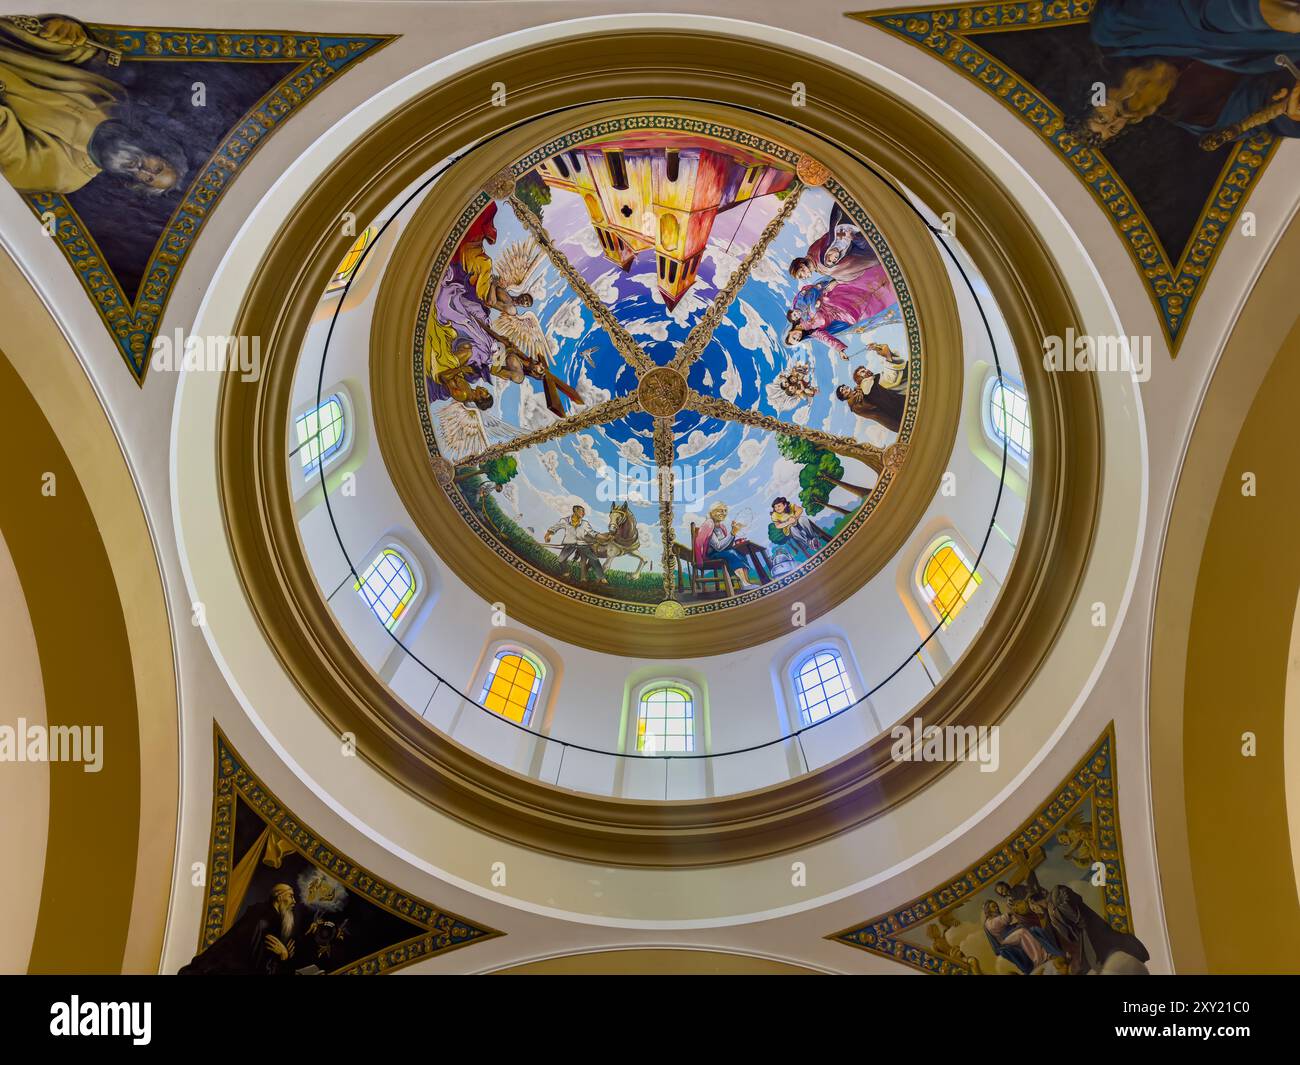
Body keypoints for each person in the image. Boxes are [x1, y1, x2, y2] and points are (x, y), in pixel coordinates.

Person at [0, 15, 188, 194]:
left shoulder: (63, 177)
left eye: (148, 179)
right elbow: (75, 54)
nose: (145, 170)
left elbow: (6, 146)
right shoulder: (114, 99)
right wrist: (67, 33)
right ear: (157, 148)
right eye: (158, 167)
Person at [1073, 0, 1300, 147]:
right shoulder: (1194, 117)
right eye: (1112, 128)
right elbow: (1261, 111)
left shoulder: (1114, 32)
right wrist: (1289, 110)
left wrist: (1261, 14)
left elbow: (1191, 10)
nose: (1114, 119)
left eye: (1101, 117)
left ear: (1095, 94)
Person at [179, 882, 316, 975]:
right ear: (279, 897)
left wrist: (285, 958)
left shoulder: (269, 917)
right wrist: (284, 958)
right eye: (291, 896)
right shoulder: (264, 921)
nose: (294, 901)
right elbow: (260, 968)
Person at [694, 502, 769, 589]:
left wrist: (733, 533)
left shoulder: (721, 527)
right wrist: (732, 533)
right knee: (732, 553)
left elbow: (726, 545)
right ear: (712, 512)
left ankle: (746, 582)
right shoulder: (709, 524)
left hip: (721, 553)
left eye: (725, 511)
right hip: (710, 556)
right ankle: (745, 583)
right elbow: (718, 547)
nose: (724, 513)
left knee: (740, 553)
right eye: (720, 511)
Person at [835, 365, 905, 433]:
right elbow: (870, 406)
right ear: (843, 397)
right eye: (842, 390)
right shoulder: (855, 405)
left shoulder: (860, 389)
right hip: (891, 415)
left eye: (844, 387)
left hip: (893, 404)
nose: (845, 388)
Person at [544, 504, 606, 582]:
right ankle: (566, 573)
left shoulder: (585, 523)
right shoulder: (565, 521)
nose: (583, 513)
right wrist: (547, 535)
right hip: (570, 544)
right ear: (575, 511)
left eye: (584, 512)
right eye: (582, 511)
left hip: (582, 544)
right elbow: (555, 528)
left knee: (594, 559)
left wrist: (604, 538)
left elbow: (593, 533)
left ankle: (602, 578)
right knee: (560, 560)